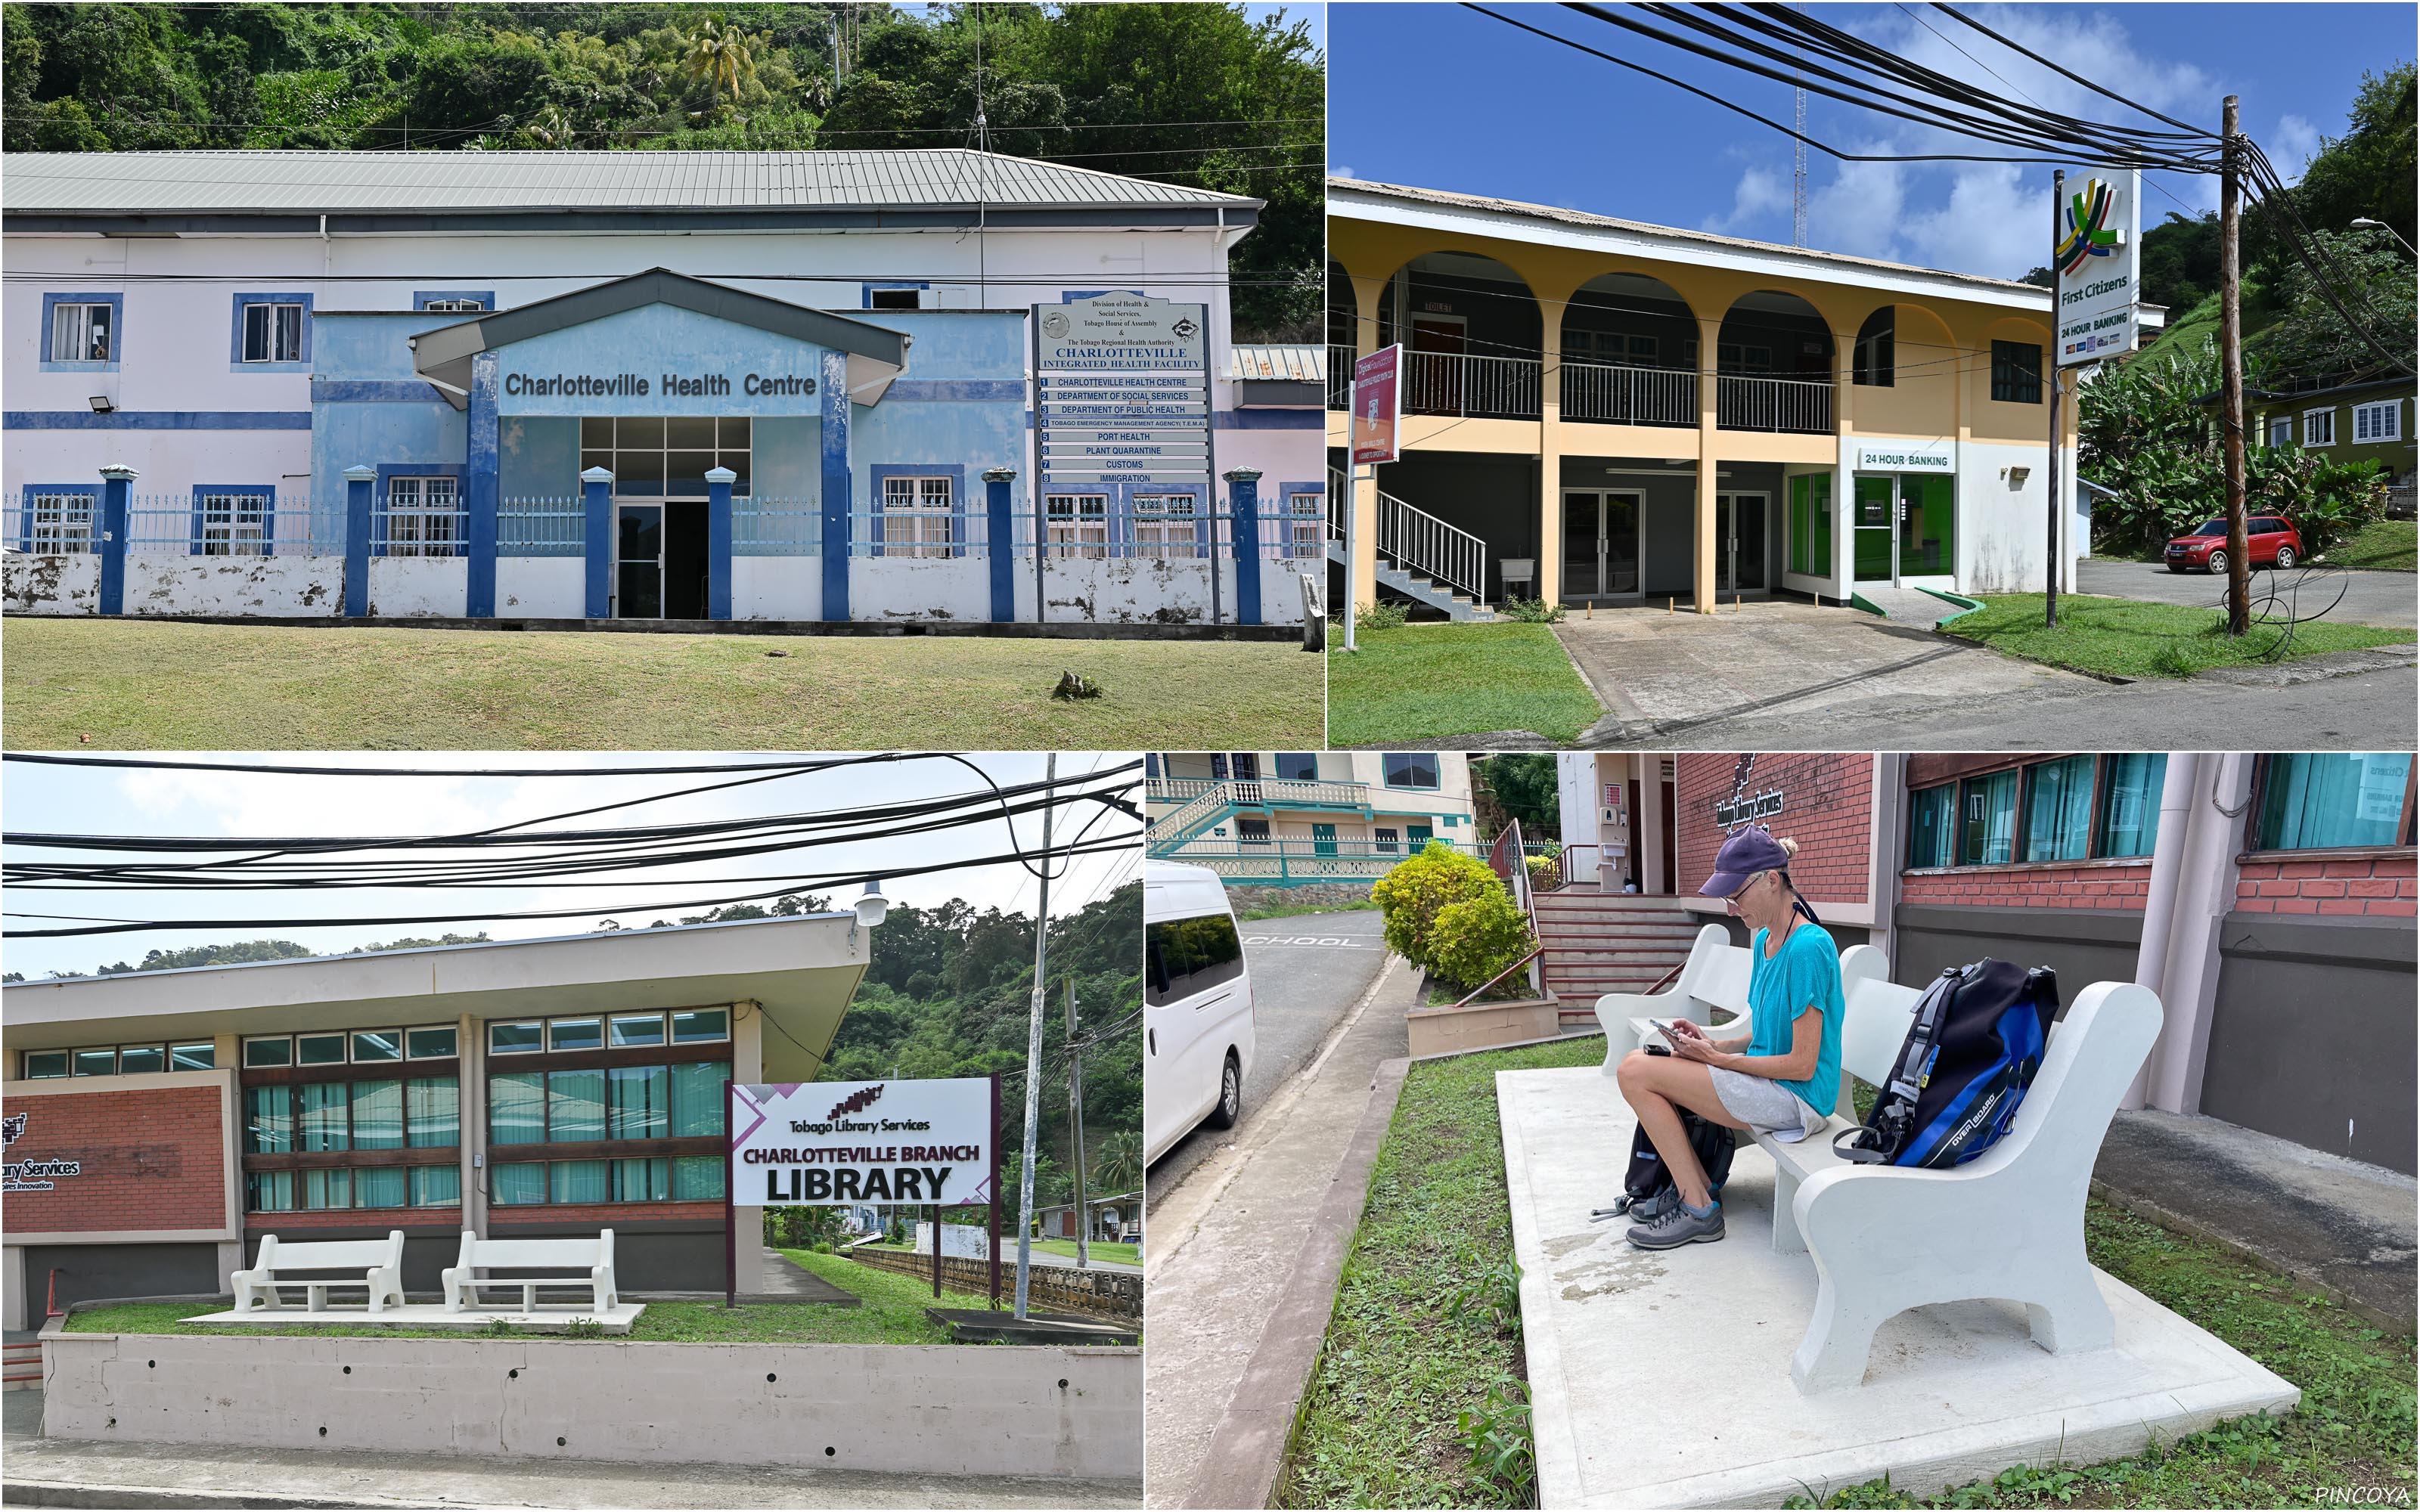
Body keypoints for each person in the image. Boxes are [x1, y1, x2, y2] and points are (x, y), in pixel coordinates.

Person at [1612, 828, 1844, 1250]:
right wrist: (1712, 1045)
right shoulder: (1764, 942)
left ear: (1772, 880)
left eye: (1737, 895)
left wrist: (1717, 1062)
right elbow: (1763, 1033)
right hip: (1767, 1085)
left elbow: (1802, 1064)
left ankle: (1698, 1207)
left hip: (1798, 1098)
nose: (1731, 908)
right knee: (1646, 1062)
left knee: (1634, 1072)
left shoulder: (1809, 947)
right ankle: (1696, 1190)